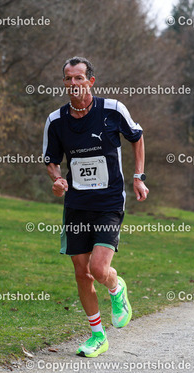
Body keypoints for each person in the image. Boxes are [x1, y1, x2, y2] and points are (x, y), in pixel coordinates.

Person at [43, 56, 148, 357]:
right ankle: (97, 335)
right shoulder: (55, 120)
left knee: (99, 268)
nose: (73, 83)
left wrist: (138, 177)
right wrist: (57, 180)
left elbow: (137, 138)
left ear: (90, 81)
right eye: (68, 78)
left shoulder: (113, 110)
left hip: (109, 201)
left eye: (79, 78)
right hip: (77, 203)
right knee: (82, 272)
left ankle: (116, 288)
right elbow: (51, 160)